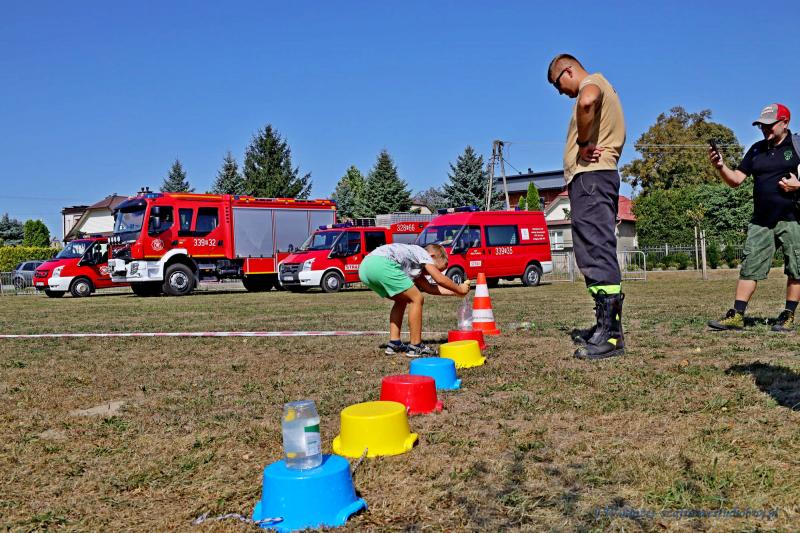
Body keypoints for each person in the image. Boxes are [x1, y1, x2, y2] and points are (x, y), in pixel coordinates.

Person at [547, 53, 627, 360]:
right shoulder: (602, 84)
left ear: (568, 71)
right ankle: (604, 326)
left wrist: (582, 143)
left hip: (592, 178)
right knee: (592, 250)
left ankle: (612, 336)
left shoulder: (591, 84)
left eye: (558, 85)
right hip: (593, 180)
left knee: (596, 250)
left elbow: (586, 101)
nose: (561, 92)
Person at [708, 103, 800, 332]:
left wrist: (798, 186)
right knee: (749, 268)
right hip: (761, 221)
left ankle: (788, 315)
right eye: (762, 125)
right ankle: (737, 315)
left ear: (785, 122)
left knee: (796, 268)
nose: (765, 129)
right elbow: (736, 180)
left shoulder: (797, 146)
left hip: (793, 219)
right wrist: (720, 166)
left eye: (770, 125)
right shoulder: (756, 149)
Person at [359, 243, 470, 357]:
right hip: (381, 263)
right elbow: (440, 279)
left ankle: (394, 343)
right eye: (437, 269)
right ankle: (416, 346)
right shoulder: (424, 255)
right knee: (417, 298)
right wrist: (459, 288)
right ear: (432, 256)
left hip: (365, 268)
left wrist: (455, 292)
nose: (430, 274)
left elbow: (429, 288)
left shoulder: (415, 261)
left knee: (402, 300)